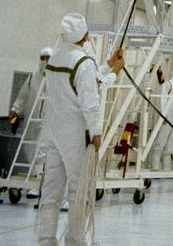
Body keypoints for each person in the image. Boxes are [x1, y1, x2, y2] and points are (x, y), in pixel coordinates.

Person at [37, 13, 124, 246]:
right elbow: (90, 101)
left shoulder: (55, 58)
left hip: (54, 132)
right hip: (76, 135)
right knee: (79, 190)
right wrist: (96, 133)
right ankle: (75, 241)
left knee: (51, 190)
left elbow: (89, 79)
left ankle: (45, 240)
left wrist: (110, 66)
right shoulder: (83, 62)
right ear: (84, 35)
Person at [11, 47, 52, 148]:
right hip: (30, 125)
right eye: (43, 58)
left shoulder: (58, 79)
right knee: (29, 152)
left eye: (48, 58)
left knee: (42, 156)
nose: (45, 61)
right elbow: (22, 97)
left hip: (48, 125)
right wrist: (14, 114)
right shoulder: (33, 77)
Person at [148, 66, 173, 172]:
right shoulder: (167, 85)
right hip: (167, 118)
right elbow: (162, 100)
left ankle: (167, 167)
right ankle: (155, 166)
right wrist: (163, 115)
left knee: (171, 143)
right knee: (161, 139)